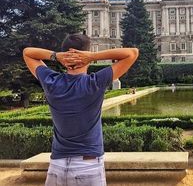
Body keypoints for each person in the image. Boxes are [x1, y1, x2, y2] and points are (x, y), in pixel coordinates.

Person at [23, 34, 138, 186]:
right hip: (88, 167)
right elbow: (132, 53)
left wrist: (56, 56)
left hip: (57, 166)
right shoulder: (95, 83)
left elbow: (27, 52)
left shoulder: (51, 82)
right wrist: (92, 56)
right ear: (86, 54)